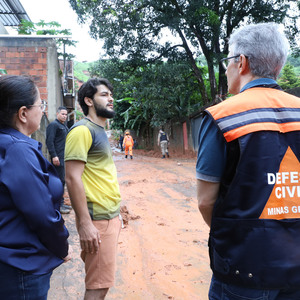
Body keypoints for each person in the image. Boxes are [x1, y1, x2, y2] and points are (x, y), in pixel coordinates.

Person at [197, 22, 300, 299]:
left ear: (241, 62)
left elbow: (206, 201)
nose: (227, 68)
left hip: (243, 270)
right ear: (278, 67)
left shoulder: (223, 116)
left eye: (228, 61)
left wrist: (239, 233)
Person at [0, 75, 70, 299]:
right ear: (22, 113)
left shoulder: (7, 143)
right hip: (21, 265)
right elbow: (41, 214)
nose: (42, 110)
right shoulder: (18, 150)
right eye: (41, 105)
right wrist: (62, 246)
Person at [65, 78, 122, 300]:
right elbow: (72, 178)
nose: (111, 99)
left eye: (110, 94)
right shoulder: (82, 131)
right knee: (97, 287)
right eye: (104, 95)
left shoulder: (99, 130)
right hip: (97, 220)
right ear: (88, 100)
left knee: (102, 283)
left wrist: (117, 209)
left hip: (108, 217)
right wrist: (86, 224)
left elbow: (100, 174)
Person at [46, 106, 71, 214]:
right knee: (59, 181)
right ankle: (58, 206)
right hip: (58, 158)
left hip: (64, 157)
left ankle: (61, 203)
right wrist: (54, 155)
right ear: (57, 114)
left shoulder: (63, 126)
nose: (64, 116)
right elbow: (49, 141)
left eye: (66, 114)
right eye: (62, 114)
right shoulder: (54, 125)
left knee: (62, 180)